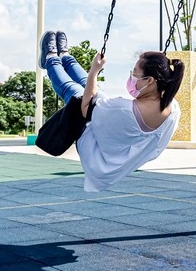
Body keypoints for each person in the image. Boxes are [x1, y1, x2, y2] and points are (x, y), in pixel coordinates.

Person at [39, 30, 185, 192]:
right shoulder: (173, 108)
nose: (132, 77)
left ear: (150, 80)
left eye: (135, 72)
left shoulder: (123, 109)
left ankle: (50, 58)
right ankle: (66, 56)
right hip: (117, 147)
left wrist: (95, 71)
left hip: (95, 151)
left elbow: (85, 108)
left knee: (74, 90)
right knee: (90, 85)